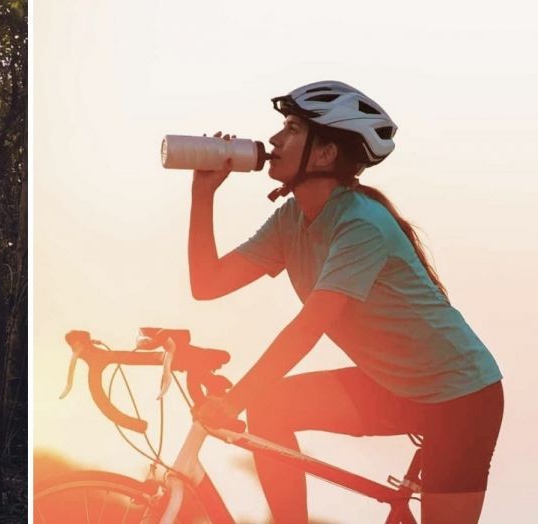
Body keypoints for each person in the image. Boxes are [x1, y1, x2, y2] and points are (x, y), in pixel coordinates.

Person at [186, 81, 503, 523]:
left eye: (292, 129)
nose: (275, 140)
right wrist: (203, 195)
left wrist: (233, 400)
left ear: (326, 153)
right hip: (391, 384)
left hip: (461, 395)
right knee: (271, 405)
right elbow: (207, 283)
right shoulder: (291, 220)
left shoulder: (361, 225)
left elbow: (306, 329)